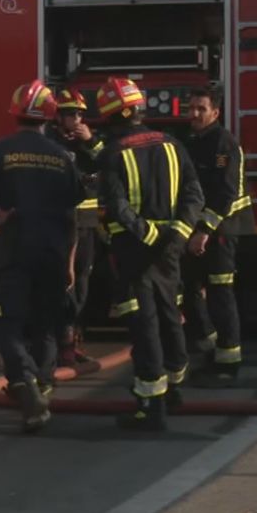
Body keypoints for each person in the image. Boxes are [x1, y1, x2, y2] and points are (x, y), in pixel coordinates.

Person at [0, 80, 85, 433]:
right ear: (49, 116)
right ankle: (41, 386)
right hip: (54, 251)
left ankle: (25, 385)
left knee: (8, 322)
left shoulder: (1, 150)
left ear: (15, 112)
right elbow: (74, 216)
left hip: (15, 248)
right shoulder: (63, 157)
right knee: (45, 323)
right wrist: (71, 262)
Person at [96, 76, 204, 431]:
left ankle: (150, 407)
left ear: (111, 115)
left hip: (134, 250)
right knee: (170, 312)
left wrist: (148, 233)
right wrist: (178, 233)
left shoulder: (113, 153)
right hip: (171, 247)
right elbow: (194, 195)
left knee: (144, 325)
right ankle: (174, 387)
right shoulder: (174, 144)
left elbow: (116, 206)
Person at [182, 86, 253, 387]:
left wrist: (205, 230)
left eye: (201, 108)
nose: (194, 114)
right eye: (192, 108)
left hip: (221, 230)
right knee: (189, 288)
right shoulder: (193, 142)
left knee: (220, 293)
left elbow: (225, 192)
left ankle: (228, 362)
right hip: (198, 231)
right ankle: (209, 344)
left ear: (215, 112)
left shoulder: (223, 144)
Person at [47, 87, 106, 366]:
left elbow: (111, 163)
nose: (77, 119)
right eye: (71, 114)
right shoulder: (50, 142)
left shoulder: (90, 141)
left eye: (81, 114)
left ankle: (74, 338)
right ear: (58, 116)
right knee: (63, 283)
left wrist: (91, 141)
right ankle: (61, 342)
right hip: (61, 223)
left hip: (88, 223)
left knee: (83, 280)